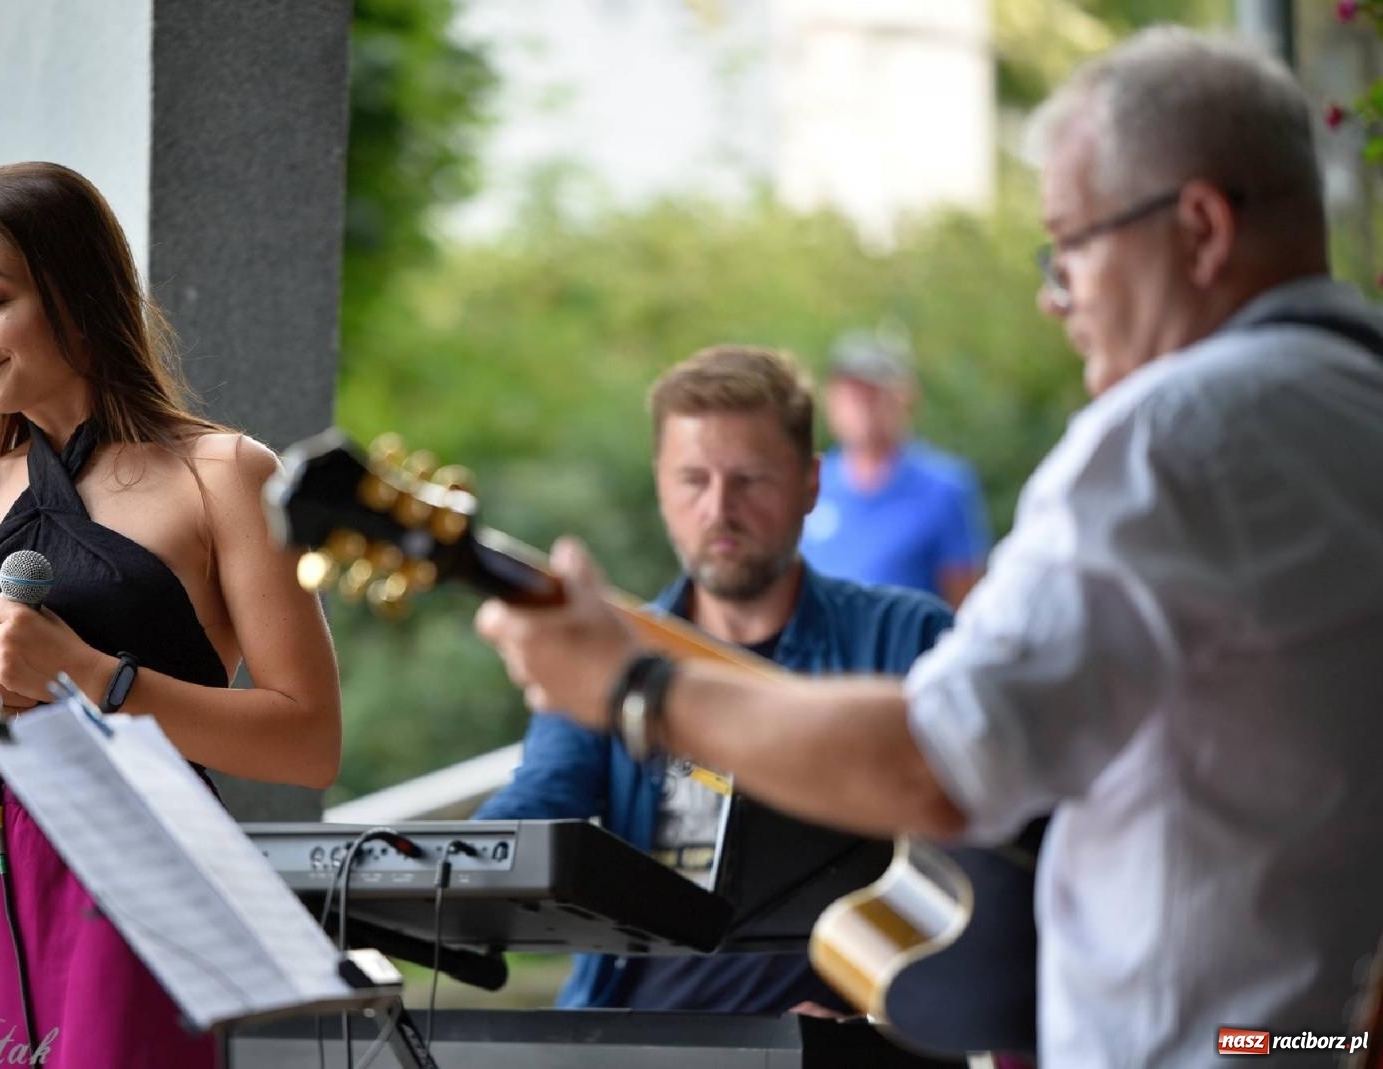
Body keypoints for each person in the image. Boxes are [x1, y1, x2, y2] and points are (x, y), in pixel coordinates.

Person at [475, 28, 1383, 1069]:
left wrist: (636, 682)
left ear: (1199, 229)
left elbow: (945, 762)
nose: (1057, 297)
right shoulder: (1355, 406)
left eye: (1069, 246)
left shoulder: (1168, 435)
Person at [0, 162, 343, 1068]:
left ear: (76, 294)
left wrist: (96, 679)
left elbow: (308, 739)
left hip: (143, 888)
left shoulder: (225, 474)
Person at [475, 344, 953, 1013]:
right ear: (661, 486)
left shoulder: (908, 638)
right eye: (693, 479)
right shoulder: (604, 652)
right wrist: (414, 873)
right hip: (631, 1033)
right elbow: (533, 808)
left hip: (836, 1042)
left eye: (751, 479)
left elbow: (980, 865)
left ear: (811, 483)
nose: (719, 509)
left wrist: (870, 1005)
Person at [800, 333, 991, 607]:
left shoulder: (945, 488)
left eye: (873, 394)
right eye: (851, 394)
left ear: (904, 397)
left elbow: (965, 603)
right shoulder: (812, 481)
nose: (862, 406)